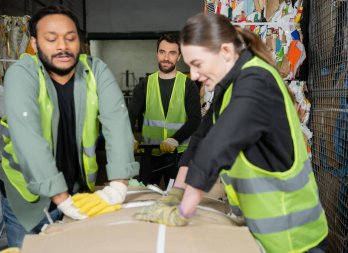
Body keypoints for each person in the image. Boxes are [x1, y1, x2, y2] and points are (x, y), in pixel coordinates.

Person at [135, 13, 328, 253]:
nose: (193, 75)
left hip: (295, 240)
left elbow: (216, 147)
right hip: (264, 235)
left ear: (225, 51)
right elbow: (199, 140)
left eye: (197, 64)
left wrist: (183, 211)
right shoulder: (229, 87)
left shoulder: (256, 82)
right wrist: (176, 191)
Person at [0, 5, 139, 247]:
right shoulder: (22, 74)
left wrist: (118, 186)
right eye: (51, 39)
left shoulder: (96, 70)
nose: (63, 46)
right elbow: (27, 138)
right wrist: (61, 200)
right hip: (27, 194)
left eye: (70, 38)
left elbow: (116, 122)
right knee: (29, 247)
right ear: (34, 42)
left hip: (76, 188)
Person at [128, 33, 201, 187]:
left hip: (179, 154)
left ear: (179, 56)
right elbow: (130, 114)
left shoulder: (188, 85)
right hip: (150, 154)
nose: (166, 58)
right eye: (162, 52)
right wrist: (129, 136)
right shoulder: (145, 85)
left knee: (177, 199)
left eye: (172, 53)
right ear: (157, 54)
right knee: (145, 196)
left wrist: (176, 138)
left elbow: (195, 119)